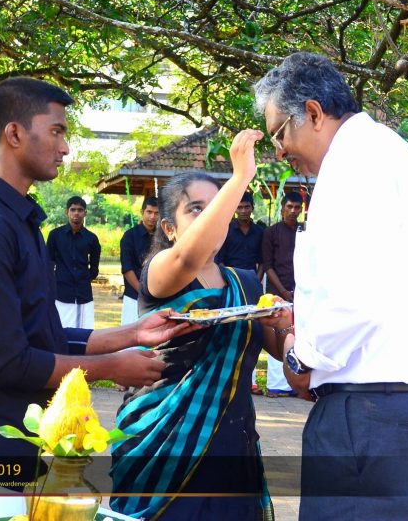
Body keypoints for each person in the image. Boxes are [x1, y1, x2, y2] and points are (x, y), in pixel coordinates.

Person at [0, 77, 195, 521]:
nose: (66, 147)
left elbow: (44, 336)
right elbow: (9, 362)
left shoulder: (18, 221)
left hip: (20, 443)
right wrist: (113, 368)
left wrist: (133, 333)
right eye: (56, 131)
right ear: (14, 134)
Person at [254, 51, 408, 520]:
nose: (279, 151)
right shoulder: (388, 153)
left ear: (313, 113)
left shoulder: (354, 166)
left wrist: (300, 356)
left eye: (279, 133)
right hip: (400, 409)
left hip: (368, 417)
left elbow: (357, 300)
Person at [110, 130, 294, 521]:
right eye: (197, 209)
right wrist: (240, 177)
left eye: (218, 207)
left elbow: (278, 348)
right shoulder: (162, 272)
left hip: (232, 445)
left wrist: (282, 322)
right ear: (169, 228)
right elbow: (188, 258)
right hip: (164, 445)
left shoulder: (246, 282)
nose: (214, 216)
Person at [217, 191, 266, 395]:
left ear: (252, 208)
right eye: (240, 207)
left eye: (247, 207)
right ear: (235, 209)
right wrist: (230, 282)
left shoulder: (260, 232)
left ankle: (249, 381)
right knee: (229, 330)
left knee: (252, 331)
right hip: (230, 285)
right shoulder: (226, 230)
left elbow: (263, 261)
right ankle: (226, 379)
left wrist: (255, 281)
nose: (243, 211)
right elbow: (219, 260)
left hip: (252, 285)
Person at [261, 191, 304, 397]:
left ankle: (296, 383)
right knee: (277, 333)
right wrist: (283, 291)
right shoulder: (271, 233)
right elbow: (268, 265)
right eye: (289, 207)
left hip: (301, 292)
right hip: (277, 292)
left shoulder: (304, 232)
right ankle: (275, 385)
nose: (293, 211)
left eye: (297, 208)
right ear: (282, 208)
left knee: (299, 336)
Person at [47, 195, 101, 329]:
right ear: (67, 212)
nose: (76, 213)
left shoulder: (91, 238)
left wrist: (82, 279)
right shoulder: (55, 235)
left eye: (80, 210)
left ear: (85, 213)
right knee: (59, 330)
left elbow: (94, 269)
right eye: (73, 210)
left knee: (84, 331)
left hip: (83, 294)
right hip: (60, 293)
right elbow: (48, 263)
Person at [119, 196, 158, 325]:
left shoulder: (163, 237)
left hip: (158, 297)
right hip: (134, 297)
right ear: (142, 212)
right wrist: (142, 291)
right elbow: (127, 268)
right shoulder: (129, 236)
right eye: (149, 212)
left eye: (156, 213)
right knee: (130, 333)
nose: (152, 217)